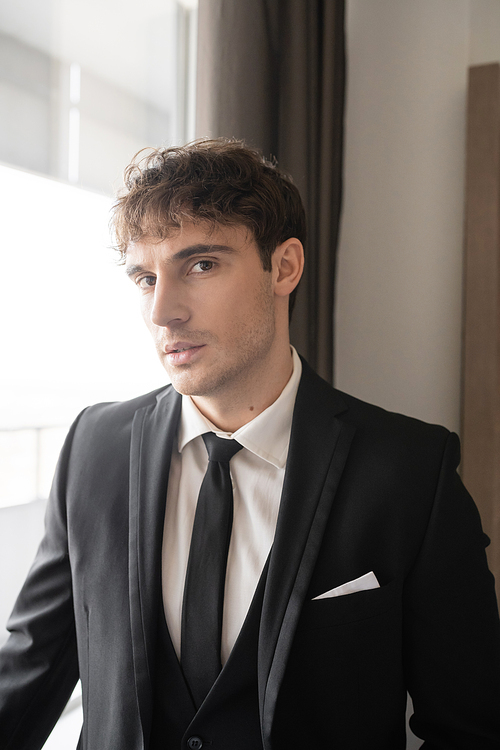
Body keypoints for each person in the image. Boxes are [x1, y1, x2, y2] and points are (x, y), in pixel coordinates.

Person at [0, 138, 499, 750]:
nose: (163, 311)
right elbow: (26, 679)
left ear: (284, 267)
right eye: (145, 277)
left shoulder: (410, 472)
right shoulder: (93, 449)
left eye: (201, 265)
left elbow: (471, 728)